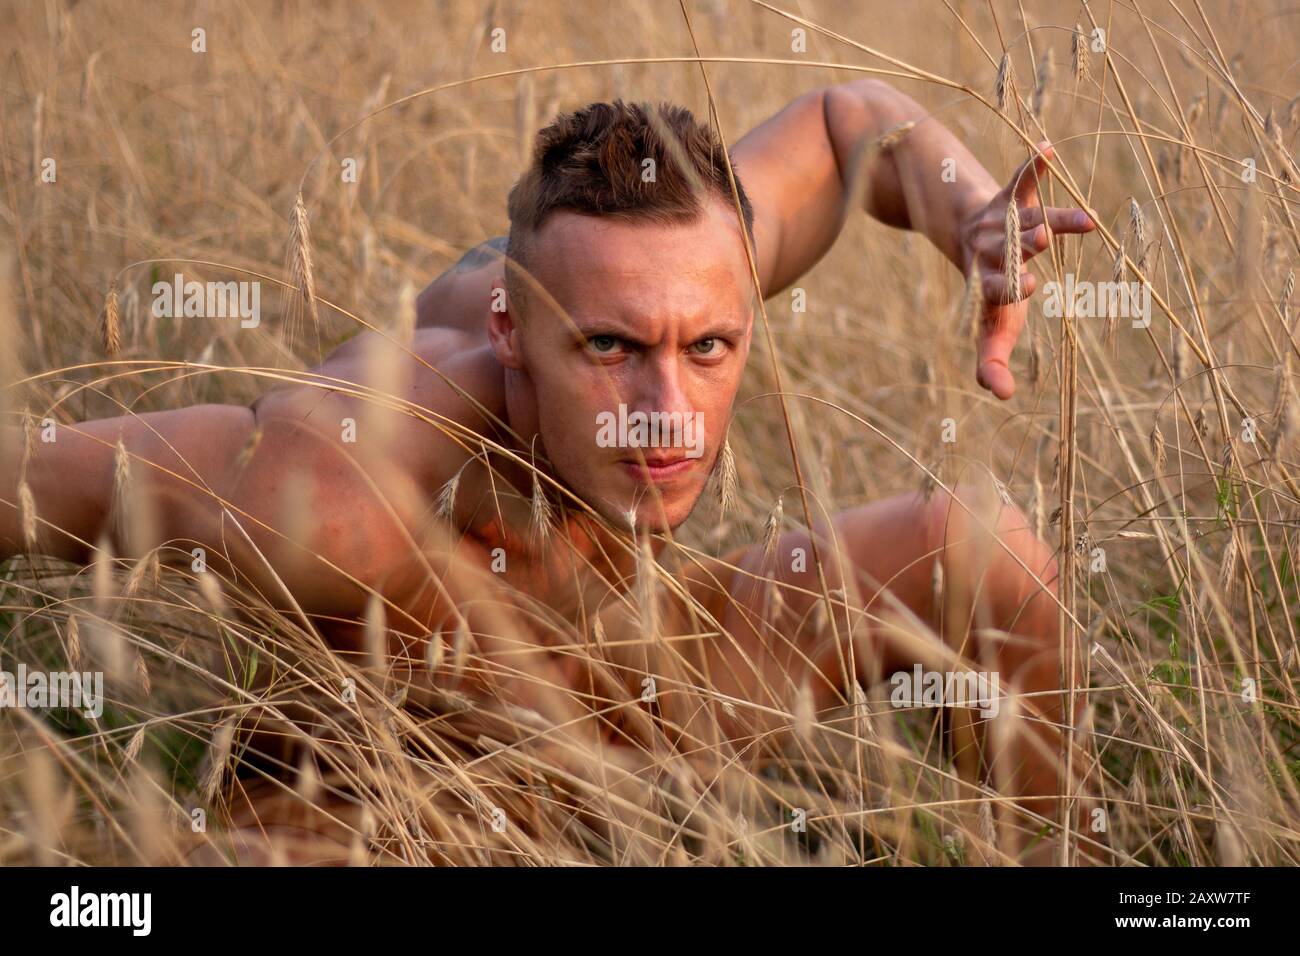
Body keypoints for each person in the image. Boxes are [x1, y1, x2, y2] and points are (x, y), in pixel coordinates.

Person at [1, 81, 1098, 863]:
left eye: (709, 347)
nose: (670, 418)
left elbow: (845, 121)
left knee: (988, 550)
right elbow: (37, 478)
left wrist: (971, 212)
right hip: (396, 793)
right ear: (511, 330)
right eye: (609, 349)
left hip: (641, 680)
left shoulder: (683, 254)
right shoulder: (339, 484)